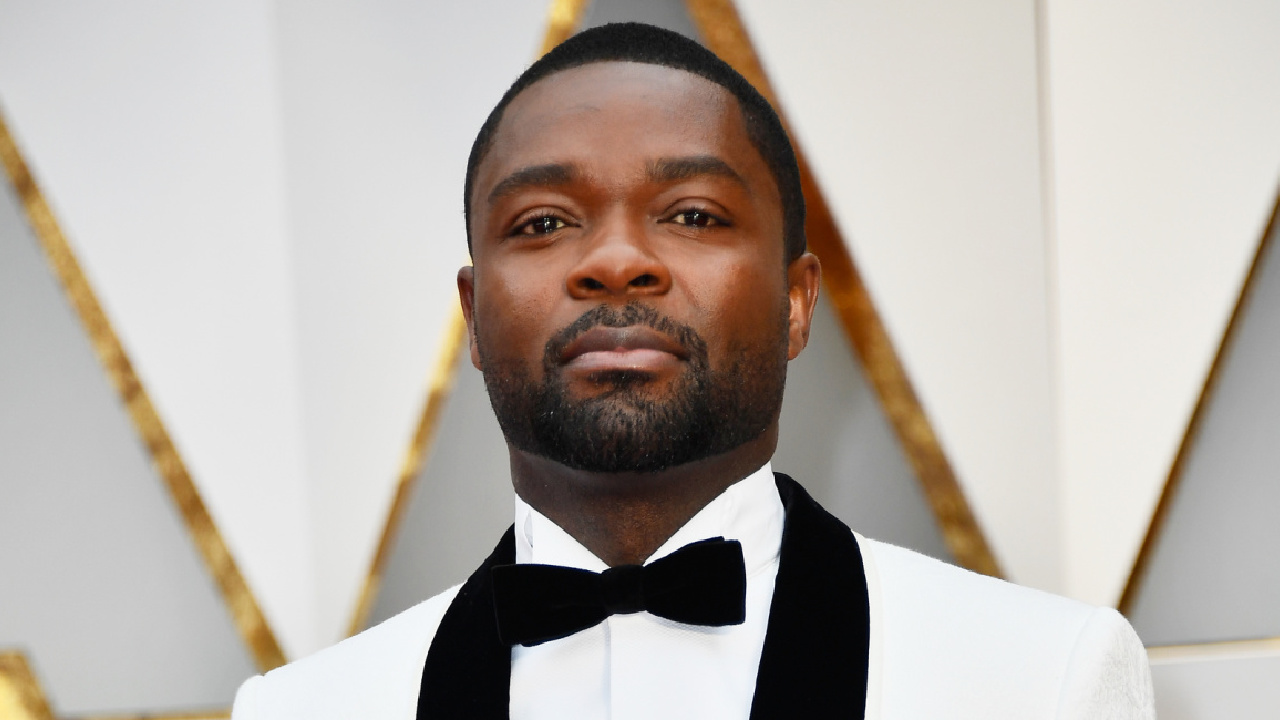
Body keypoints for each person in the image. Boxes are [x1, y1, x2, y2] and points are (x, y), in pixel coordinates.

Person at [231, 22, 1155, 719]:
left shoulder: (1044, 678)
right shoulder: (302, 711)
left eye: (695, 214)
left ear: (796, 302)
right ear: (474, 318)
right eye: (545, 222)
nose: (618, 261)